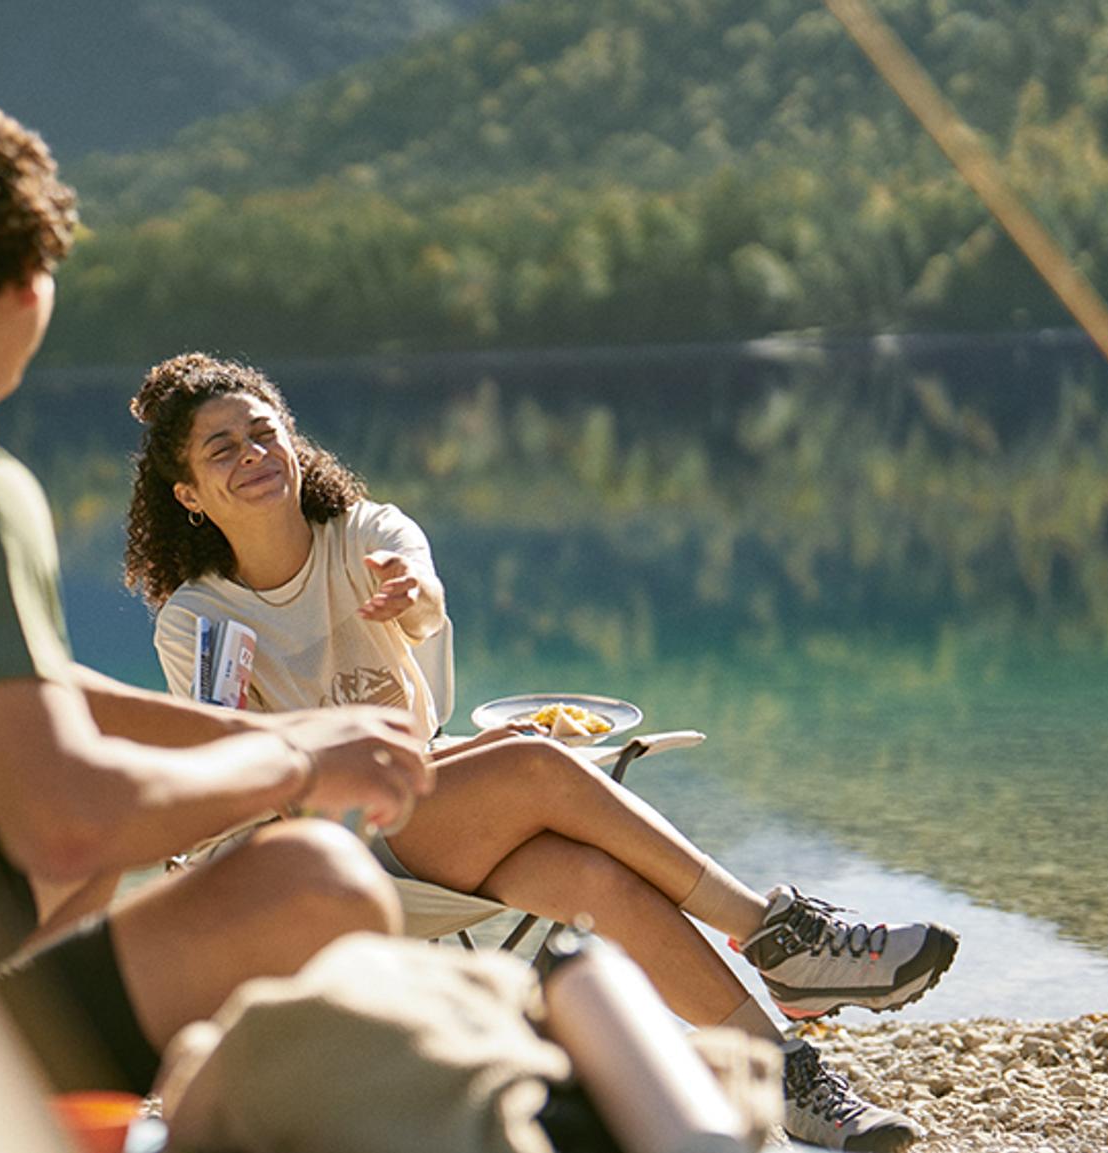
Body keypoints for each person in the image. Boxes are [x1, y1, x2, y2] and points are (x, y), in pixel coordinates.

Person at [0, 99, 437, 1096]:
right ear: (28, 283)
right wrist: (295, 767)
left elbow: (37, 689)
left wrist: (281, 737)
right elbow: (65, 819)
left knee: (105, 837)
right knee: (318, 881)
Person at [122, 352, 960, 1151]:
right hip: (323, 858)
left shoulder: (362, 532)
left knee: (592, 879)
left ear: (292, 440)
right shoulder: (198, 618)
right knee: (533, 764)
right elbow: (244, 776)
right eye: (221, 449)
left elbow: (418, 584)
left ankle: (785, 1070)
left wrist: (414, 596)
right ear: (188, 493)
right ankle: (777, 935)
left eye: (263, 431)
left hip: (426, 820)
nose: (252, 453)